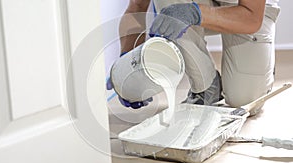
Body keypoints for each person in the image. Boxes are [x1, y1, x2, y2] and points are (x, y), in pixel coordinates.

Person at [108, 0, 280, 115]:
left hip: (246, 10)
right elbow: (137, 6)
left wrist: (195, 13)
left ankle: (264, 69)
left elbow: (251, 18)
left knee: (244, 99)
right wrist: (129, 60)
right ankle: (205, 86)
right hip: (197, 2)